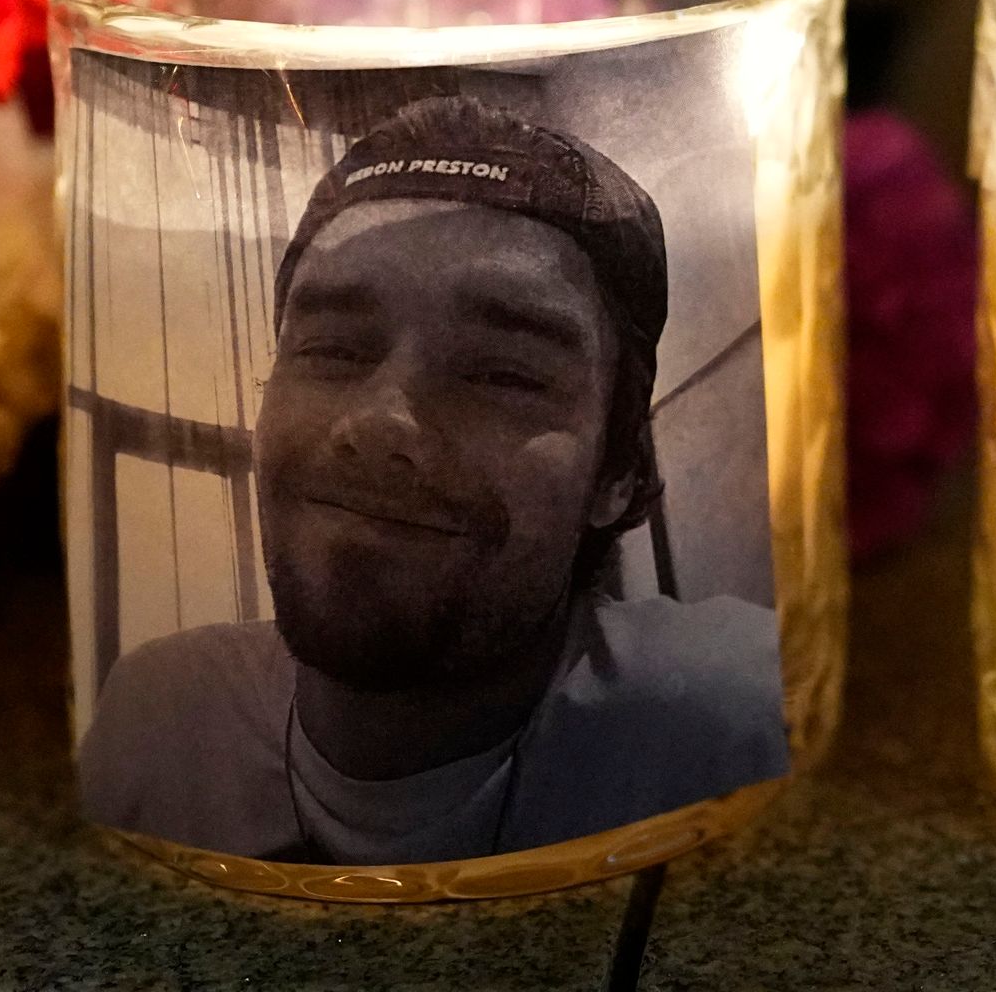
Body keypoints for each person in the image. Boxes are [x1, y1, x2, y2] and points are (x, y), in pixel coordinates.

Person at [80, 96, 788, 862]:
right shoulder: (157, 713)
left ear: (616, 473)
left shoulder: (740, 715)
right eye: (334, 350)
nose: (382, 426)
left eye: (501, 373)